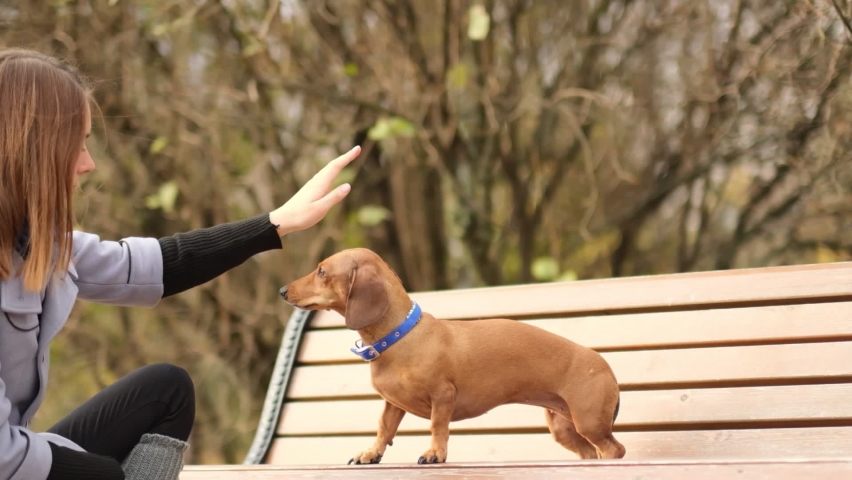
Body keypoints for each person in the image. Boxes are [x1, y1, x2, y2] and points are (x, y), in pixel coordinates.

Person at [0, 48, 360, 480]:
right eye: (73, 144)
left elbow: (153, 266)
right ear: (28, 149)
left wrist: (275, 223)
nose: (87, 164)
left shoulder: (35, 245)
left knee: (165, 391)